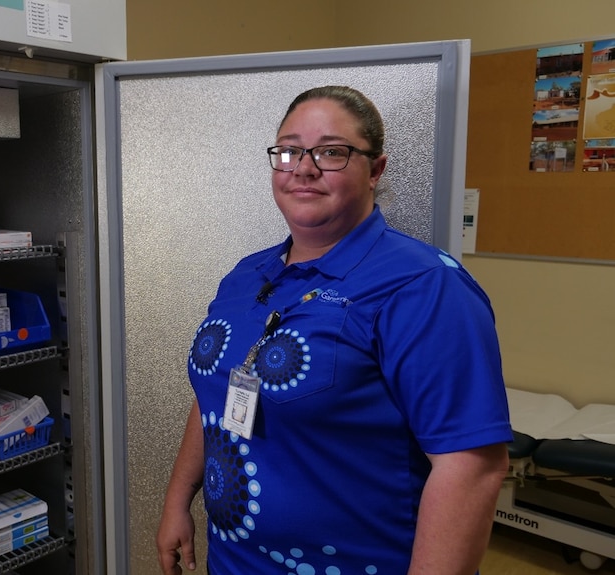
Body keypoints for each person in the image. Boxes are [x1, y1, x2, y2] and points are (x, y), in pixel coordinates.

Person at [155, 85, 511, 575]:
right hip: (235, 562)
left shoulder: (424, 287)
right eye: (289, 151)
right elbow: (217, 392)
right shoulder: (246, 276)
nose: (304, 167)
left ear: (376, 170)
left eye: (331, 152)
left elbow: (471, 467)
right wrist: (180, 498)